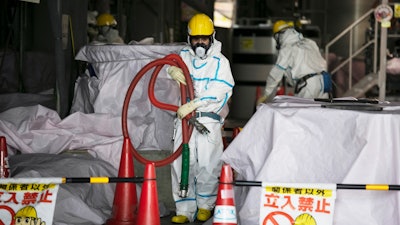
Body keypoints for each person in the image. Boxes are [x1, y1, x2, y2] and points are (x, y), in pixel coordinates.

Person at [167, 13, 235, 223]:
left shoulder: (220, 62)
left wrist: (193, 104)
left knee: (208, 163)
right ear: (189, 38)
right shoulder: (182, 56)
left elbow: (221, 89)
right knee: (181, 163)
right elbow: (160, 77)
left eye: (204, 38)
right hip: (184, 120)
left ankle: (206, 205)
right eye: (196, 38)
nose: (200, 42)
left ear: (211, 37)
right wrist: (170, 70)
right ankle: (184, 210)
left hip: (207, 120)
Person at [257, 20, 332, 104]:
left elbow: (276, 73)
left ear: (278, 36)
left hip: (308, 85)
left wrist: (266, 94)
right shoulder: (309, 43)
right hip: (324, 81)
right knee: (321, 113)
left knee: (302, 115)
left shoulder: (287, 48)